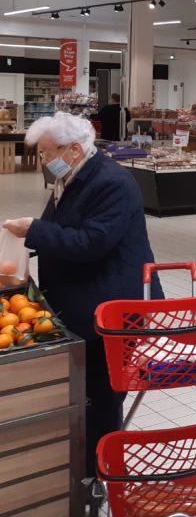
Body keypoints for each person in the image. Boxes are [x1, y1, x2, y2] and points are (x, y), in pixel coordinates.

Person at [2, 112, 162, 479]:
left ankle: (101, 470)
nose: (43, 161)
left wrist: (34, 231)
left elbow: (93, 242)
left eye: (46, 153)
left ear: (74, 149)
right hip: (82, 296)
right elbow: (60, 231)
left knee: (103, 391)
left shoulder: (113, 183)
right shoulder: (69, 177)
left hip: (112, 306)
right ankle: (85, 458)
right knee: (85, 387)